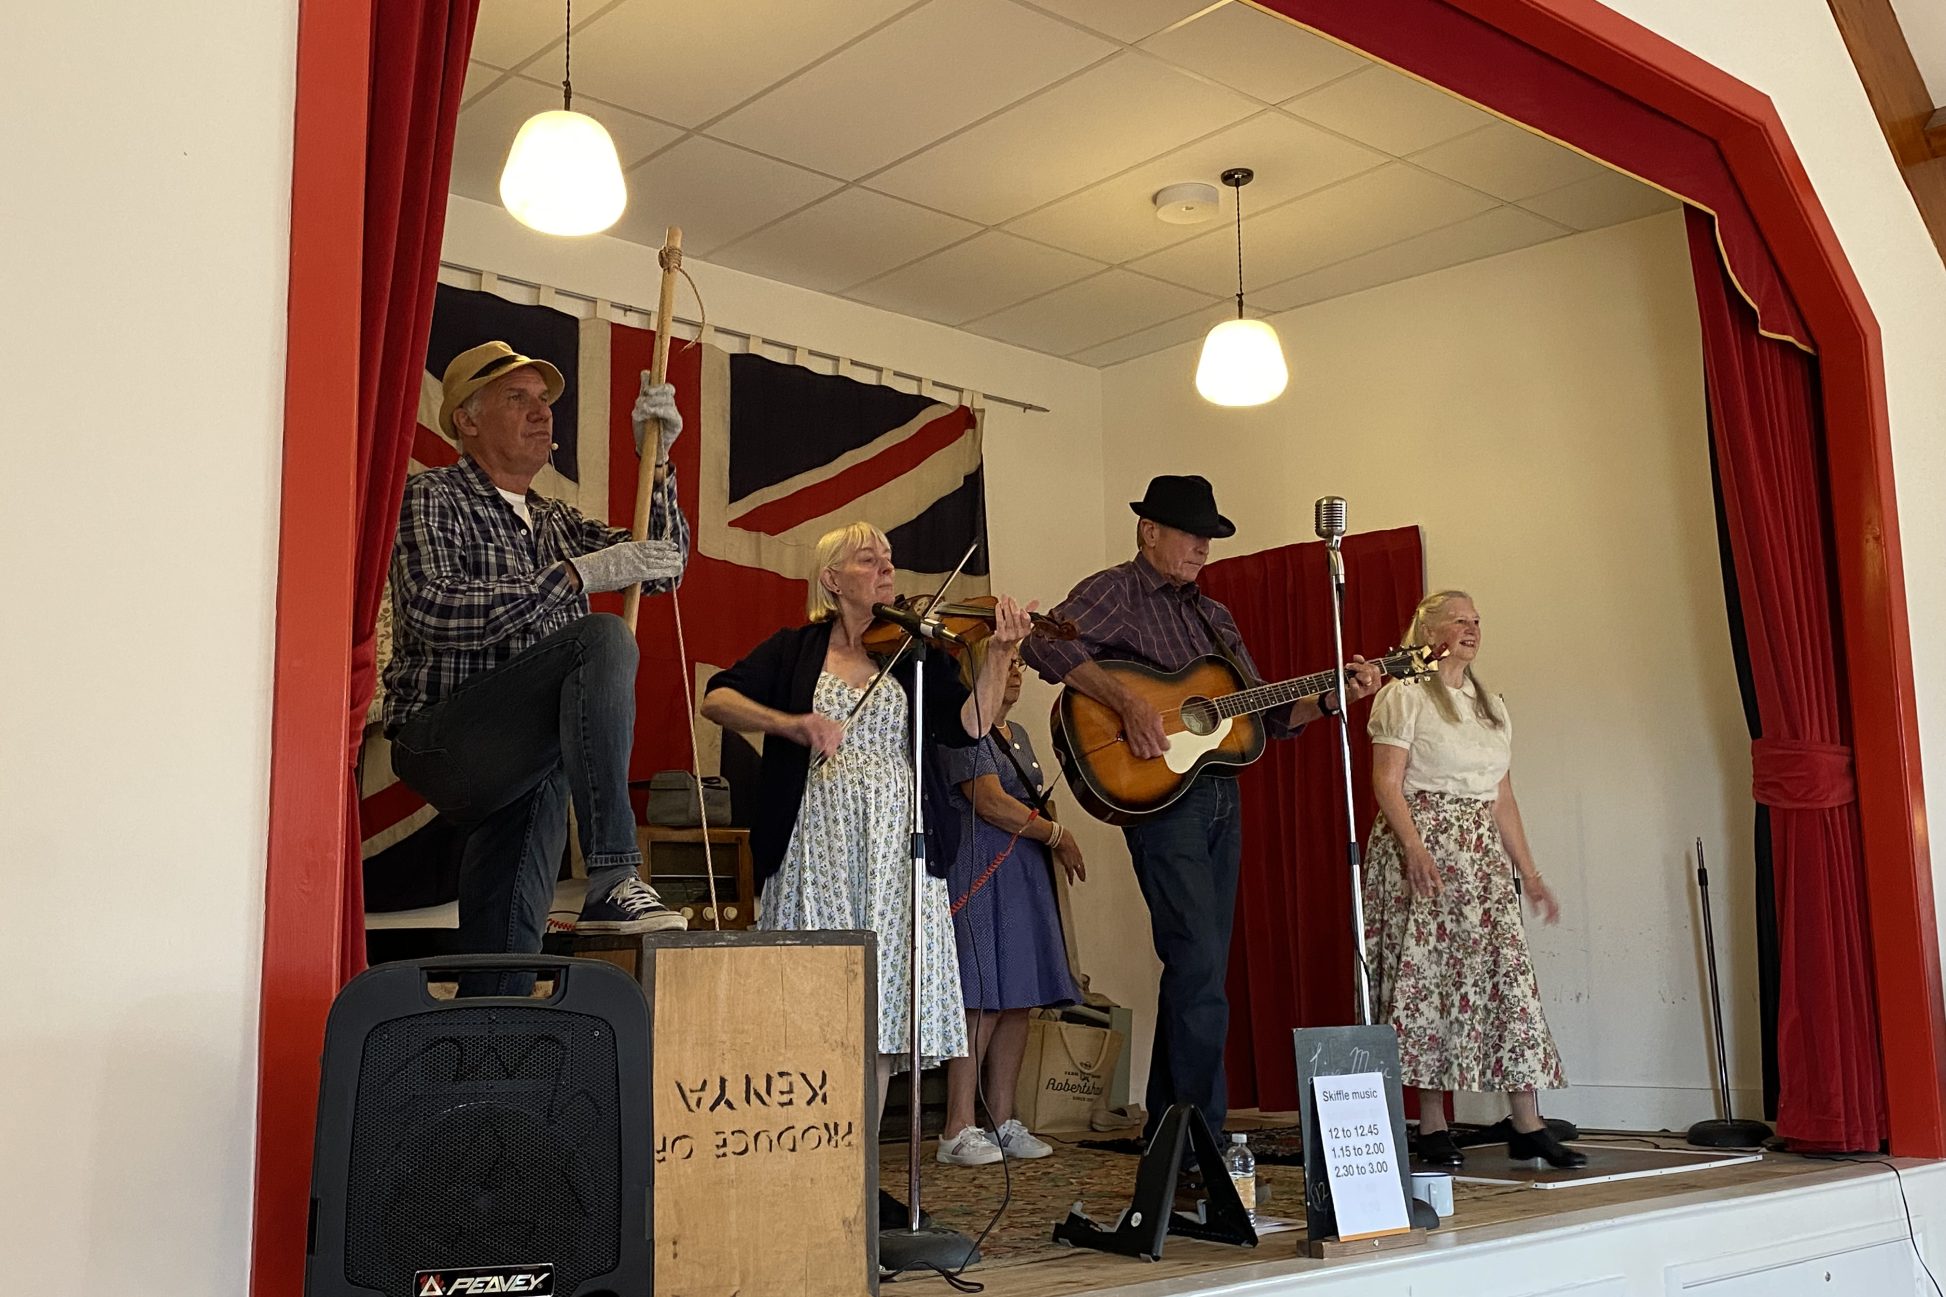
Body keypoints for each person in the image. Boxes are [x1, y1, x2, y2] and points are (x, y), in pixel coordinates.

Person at [1021, 475, 1382, 1143]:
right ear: (1149, 530)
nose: (1203, 547)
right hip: (1160, 799)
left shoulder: (1214, 618)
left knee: (1201, 965)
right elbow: (1045, 643)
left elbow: (1268, 715)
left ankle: (1170, 1128)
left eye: (1210, 537)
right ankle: (1203, 1139)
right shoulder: (1116, 590)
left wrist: (1334, 697)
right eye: (1192, 533)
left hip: (1219, 796)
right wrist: (1127, 701)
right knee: (1197, 961)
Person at [699, 522, 1033, 1119]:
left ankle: (864, 1170)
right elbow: (717, 698)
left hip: (893, 848)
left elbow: (971, 725)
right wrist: (792, 724)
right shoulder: (794, 648)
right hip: (814, 844)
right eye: (867, 559)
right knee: (811, 1001)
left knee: (883, 1007)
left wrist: (1002, 650)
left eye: (889, 558)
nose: (886, 569)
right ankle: (808, 1152)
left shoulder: (914, 654)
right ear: (832, 579)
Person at [382, 341, 693, 982]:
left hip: (526, 757)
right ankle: (612, 869)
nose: (541, 412)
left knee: (504, 949)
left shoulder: (553, 518)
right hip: (445, 739)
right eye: (515, 398)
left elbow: (661, 565)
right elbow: (434, 613)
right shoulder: (431, 496)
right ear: (466, 420)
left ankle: (490, 1065)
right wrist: (575, 577)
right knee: (600, 638)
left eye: (545, 400)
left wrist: (658, 461)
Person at [1363, 590, 1583, 1169]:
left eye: (1477, 620)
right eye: (1458, 619)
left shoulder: (1492, 705)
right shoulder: (1402, 697)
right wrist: (1413, 848)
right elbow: (1387, 781)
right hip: (1423, 844)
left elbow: (1502, 794)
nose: (1471, 628)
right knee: (1429, 982)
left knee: (1504, 980)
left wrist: (1529, 873)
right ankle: (1433, 1124)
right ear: (1427, 629)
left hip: (1480, 857)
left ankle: (1527, 1121)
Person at [933, 653, 1086, 1167]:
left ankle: (1002, 1119)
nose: (1016, 670)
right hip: (980, 869)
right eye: (1007, 662)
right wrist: (1057, 834)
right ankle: (957, 1126)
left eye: (1021, 662)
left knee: (1019, 997)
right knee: (980, 998)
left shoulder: (1017, 731)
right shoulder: (962, 729)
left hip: (1023, 874)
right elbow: (990, 800)